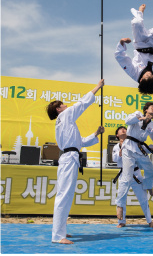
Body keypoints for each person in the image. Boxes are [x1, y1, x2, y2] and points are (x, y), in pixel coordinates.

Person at [46, 79, 105, 245]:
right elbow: (82, 103)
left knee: (66, 195)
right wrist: (97, 87)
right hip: (68, 159)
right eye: (63, 105)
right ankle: (57, 236)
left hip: (70, 157)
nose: (66, 106)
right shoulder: (64, 116)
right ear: (59, 109)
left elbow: (80, 142)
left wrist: (96, 134)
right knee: (64, 195)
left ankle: (61, 231)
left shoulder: (65, 123)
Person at [115, 102, 153, 221]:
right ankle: (120, 204)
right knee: (127, 177)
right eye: (152, 107)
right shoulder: (138, 114)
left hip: (140, 150)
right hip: (129, 148)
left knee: (151, 170)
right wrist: (139, 118)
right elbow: (127, 121)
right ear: (146, 110)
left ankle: (148, 185)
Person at [113, 126, 153, 228]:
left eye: (125, 128)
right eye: (121, 129)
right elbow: (114, 159)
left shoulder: (134, 144)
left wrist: (152, 149)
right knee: (121, 197)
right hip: (124, 174)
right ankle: (121, 221)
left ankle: (149, 220)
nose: (123, 129)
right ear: (117, 135)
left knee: (143, 198)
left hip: (136, 174)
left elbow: (144, 149)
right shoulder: (116, 147)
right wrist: (120, 152)